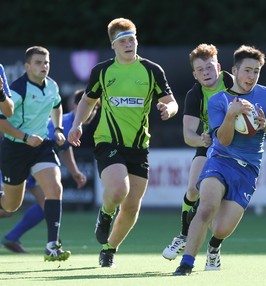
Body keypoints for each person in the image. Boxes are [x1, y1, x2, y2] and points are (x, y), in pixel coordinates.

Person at [68, 17, 178, 268]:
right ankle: (105, 214)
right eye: (123, 41)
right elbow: (87, 100)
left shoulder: (152, 70)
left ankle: (109, 249)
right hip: (108, 141)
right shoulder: (103, 71)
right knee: (119, 190)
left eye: (132, 39)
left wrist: (168, 109)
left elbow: (171, 101)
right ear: (113, 46)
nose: (129, 44)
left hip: (139, 147)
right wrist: (77, 125)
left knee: (130, 207)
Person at [173, 45, 266, 275]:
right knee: (205, 209)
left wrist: (265, 125)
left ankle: (214, 247)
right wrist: (231, 114)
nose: (251, 76)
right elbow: (223, 140)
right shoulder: (218, 101)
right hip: (220, 160)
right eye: (247, 70)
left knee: (221, 228)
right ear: (234, 71)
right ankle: (186, 264)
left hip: (248, 170)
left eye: (256, 71)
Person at [0, 89, 96, 253]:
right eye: (88, 107)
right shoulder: (66, 122)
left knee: (26, 206)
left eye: (94, 108)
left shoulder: (74, 124)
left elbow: (65, 148)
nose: (91, 112)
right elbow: (41, 145)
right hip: (26, 163)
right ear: (75, 106)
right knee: (43, 203)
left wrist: (74, 171)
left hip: (34, 166)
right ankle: (49, 243)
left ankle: (15, 237)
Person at [0, 46, 71, 261]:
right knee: (11, 206)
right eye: (38, 63)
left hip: (41, 146)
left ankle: (52, 245)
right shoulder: (19, 88)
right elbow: (3, 119)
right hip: (16, 148)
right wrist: (24, 137)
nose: (44, 66)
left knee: (55, 188)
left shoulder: (52, 86)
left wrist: (58, 129)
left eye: (46, 62)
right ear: (27, 66)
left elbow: (57, 105)